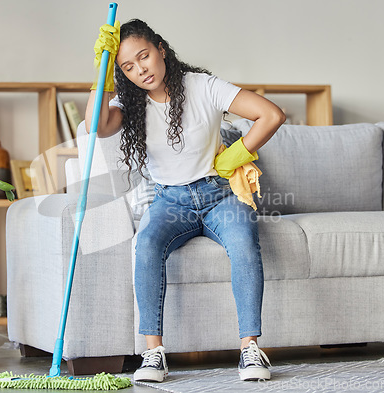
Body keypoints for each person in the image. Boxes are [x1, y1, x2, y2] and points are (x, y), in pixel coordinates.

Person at [85, 19, 285, 383]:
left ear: (160, 48)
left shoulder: (203, 86)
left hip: (220, 194)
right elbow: (96, 125)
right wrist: (102, 68)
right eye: (127, 66)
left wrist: (237, 153)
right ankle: (154, 354)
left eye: (143, 56)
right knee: (145, 243)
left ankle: (251, 349)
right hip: (170, 201)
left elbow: (271, 114)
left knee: (244, 242)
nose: (139, 69)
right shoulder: (129, 101)